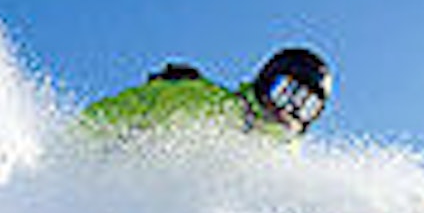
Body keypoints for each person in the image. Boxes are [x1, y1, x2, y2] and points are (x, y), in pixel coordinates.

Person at [81, 47, 333, 139]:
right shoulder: (207, 102)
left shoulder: (287, 161)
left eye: (306, 106)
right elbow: (110, 114)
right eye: (284, 92)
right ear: (265, 82)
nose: (287, 110)